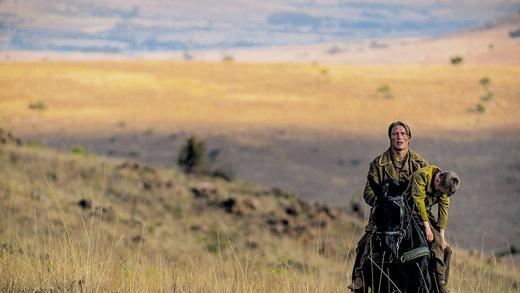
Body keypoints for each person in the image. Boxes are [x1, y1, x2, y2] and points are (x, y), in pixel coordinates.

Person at [348, 121, 428, 291]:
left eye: (402, 134)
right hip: (385, 216)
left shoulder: (420, 164)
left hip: (415, 216)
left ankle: (439, 283)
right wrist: (382, 201)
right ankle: (359, 281)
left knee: (439, 247)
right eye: (395, 134)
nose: (399, 137)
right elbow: (368, 192)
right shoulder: (378, 163)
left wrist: (414, 205)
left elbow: (428, 190)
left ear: (409, 138)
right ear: (390, 138)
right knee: (363, 246)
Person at [405, 165, 460, 293]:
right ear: (437, 180)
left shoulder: (444, 185)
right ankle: (440, 283)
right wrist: (427, 228)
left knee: (447, 249)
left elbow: (444, 209)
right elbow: (418, 202)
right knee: (435, 241)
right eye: (441, 191)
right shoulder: (422, 176)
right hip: (409, 208)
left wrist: (442, 236)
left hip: (425, 211)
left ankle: (440, 283)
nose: (441, 194)